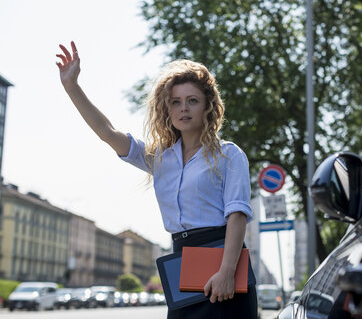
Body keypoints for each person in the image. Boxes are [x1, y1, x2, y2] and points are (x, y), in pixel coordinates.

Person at [56, 41, 257, 318]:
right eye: (176, 102)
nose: (183, 108)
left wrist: (226, 271)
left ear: (207, 107)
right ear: (168, 109)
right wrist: (72, 86)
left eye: (192, 101)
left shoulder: (229, 155)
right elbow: (107, 132)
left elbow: (237, 216)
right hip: (183, 263)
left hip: (224, 263)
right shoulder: (160, 158)